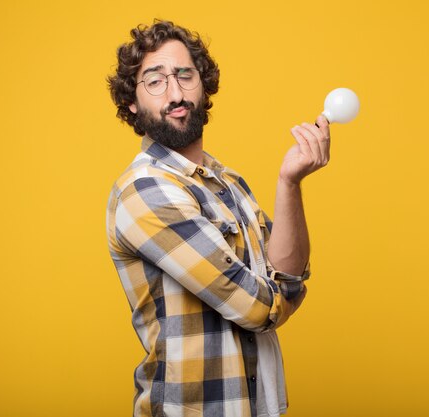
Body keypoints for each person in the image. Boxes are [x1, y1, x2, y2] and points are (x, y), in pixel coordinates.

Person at [106, 20, 330, 417]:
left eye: (184, 75)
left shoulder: (228, 181)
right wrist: (286, 292)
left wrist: (289, 182)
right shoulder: (146, 191)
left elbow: (286, 271)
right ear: (132, 103)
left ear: (203, 85)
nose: (175, 93)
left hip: (258, 406)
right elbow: (261, 309)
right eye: (155, 81)